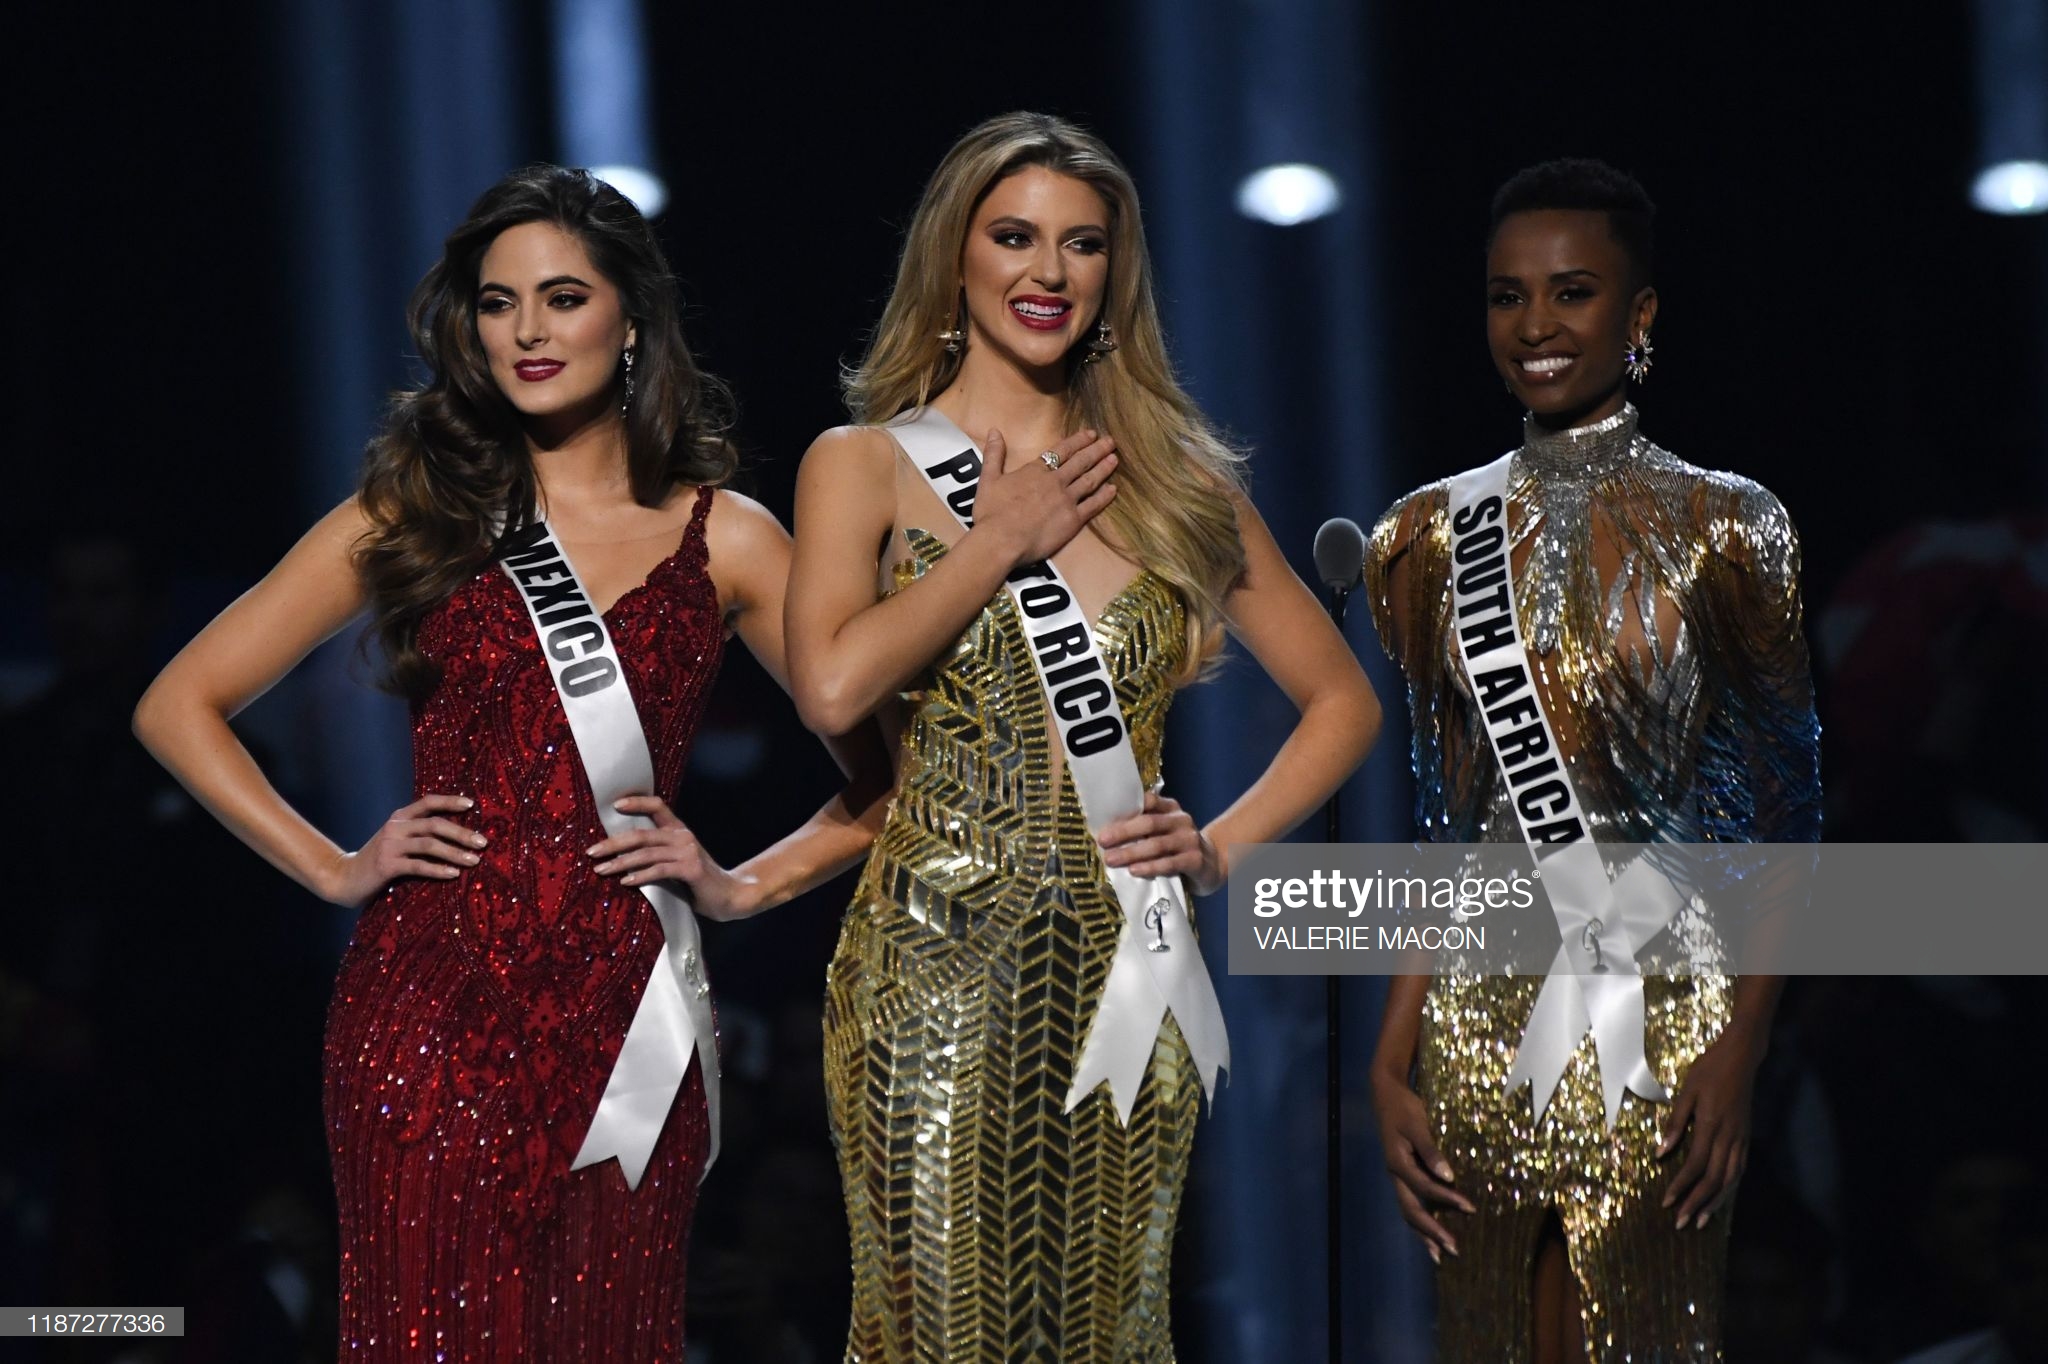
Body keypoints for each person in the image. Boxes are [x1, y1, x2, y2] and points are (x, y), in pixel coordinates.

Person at [133, 165, 890, 1361]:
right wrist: (333, 865)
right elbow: (178, 704)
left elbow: (895, 774)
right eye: (498, 303)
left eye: (562, 297)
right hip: (427, 1009)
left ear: (630, 320)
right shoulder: (417, 509)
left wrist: (743, 884)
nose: (528, 330)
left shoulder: (731, 538)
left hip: (629, 1017)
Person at [784, 111, 1382, 1361]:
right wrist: (996, 540)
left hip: (1129, 970)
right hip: (932, 970)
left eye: (1081, 243)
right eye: (1013, 237)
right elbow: (831, 690)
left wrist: (1214, 852)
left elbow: (1344, 703)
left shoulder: (1174, 483)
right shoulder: (864, 463)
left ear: (1116, 271)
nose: (1047, 271)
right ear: (955, 257)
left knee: (1113, 1329)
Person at [1363, 158, 1821, 1360]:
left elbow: (1788, 817)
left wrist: (1741, 1045)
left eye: (1570, 291)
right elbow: (1444, 822)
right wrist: (1388, 1056)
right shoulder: (1422, 535)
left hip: (1661, 1007)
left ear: (1639, 312)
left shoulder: (1730, 525)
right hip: (1475, 1014)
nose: (1534, 325)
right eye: (1505, 295)